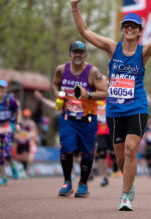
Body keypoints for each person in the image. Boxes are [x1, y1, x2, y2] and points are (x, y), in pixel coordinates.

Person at [69, 0, 151, 211]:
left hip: (137, 106)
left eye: (134, 26)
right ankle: (129, 182)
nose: (130, 29)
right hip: (115, 108)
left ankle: (125, 196)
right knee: (121, 157)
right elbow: (84, 31)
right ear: (122, 30)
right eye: (126, 26)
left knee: (132, 150)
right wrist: (75, 7)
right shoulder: (112, 48)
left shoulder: (145, 51)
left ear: (140, 32)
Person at [53, 40, 108, 198]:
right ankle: (67, 182)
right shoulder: (61, 70)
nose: (77, 54)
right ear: (69, 54)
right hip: (68, 117)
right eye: (74, 52)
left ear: (85, 55)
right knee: (66, 147)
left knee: (87, 152)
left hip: (88, 119)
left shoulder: (93, 72)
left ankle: (83, 183)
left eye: (80, 52)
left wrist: (88, 94)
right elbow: (55, 84)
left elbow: (106, 92)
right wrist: (58, 93)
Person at [95, 96, 118, 187]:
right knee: (102, 153)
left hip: (111, 130)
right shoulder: (95, 99)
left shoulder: (111, 98)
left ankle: (115, 168)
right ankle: (105, 177)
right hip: (100, 131)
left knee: (114, 153)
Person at [15, 109, 37, 178]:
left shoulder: (31, 123)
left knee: (26, 157)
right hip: (19, 142)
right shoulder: (19, 122)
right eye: (25, 115)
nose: (26, 116)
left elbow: (34, 132)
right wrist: (17, 137)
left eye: (27, 115)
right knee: (19, 157)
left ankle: (25, 171)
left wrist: (30, 136)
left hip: (27, 143)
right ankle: (21, 171)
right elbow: (16, 132)